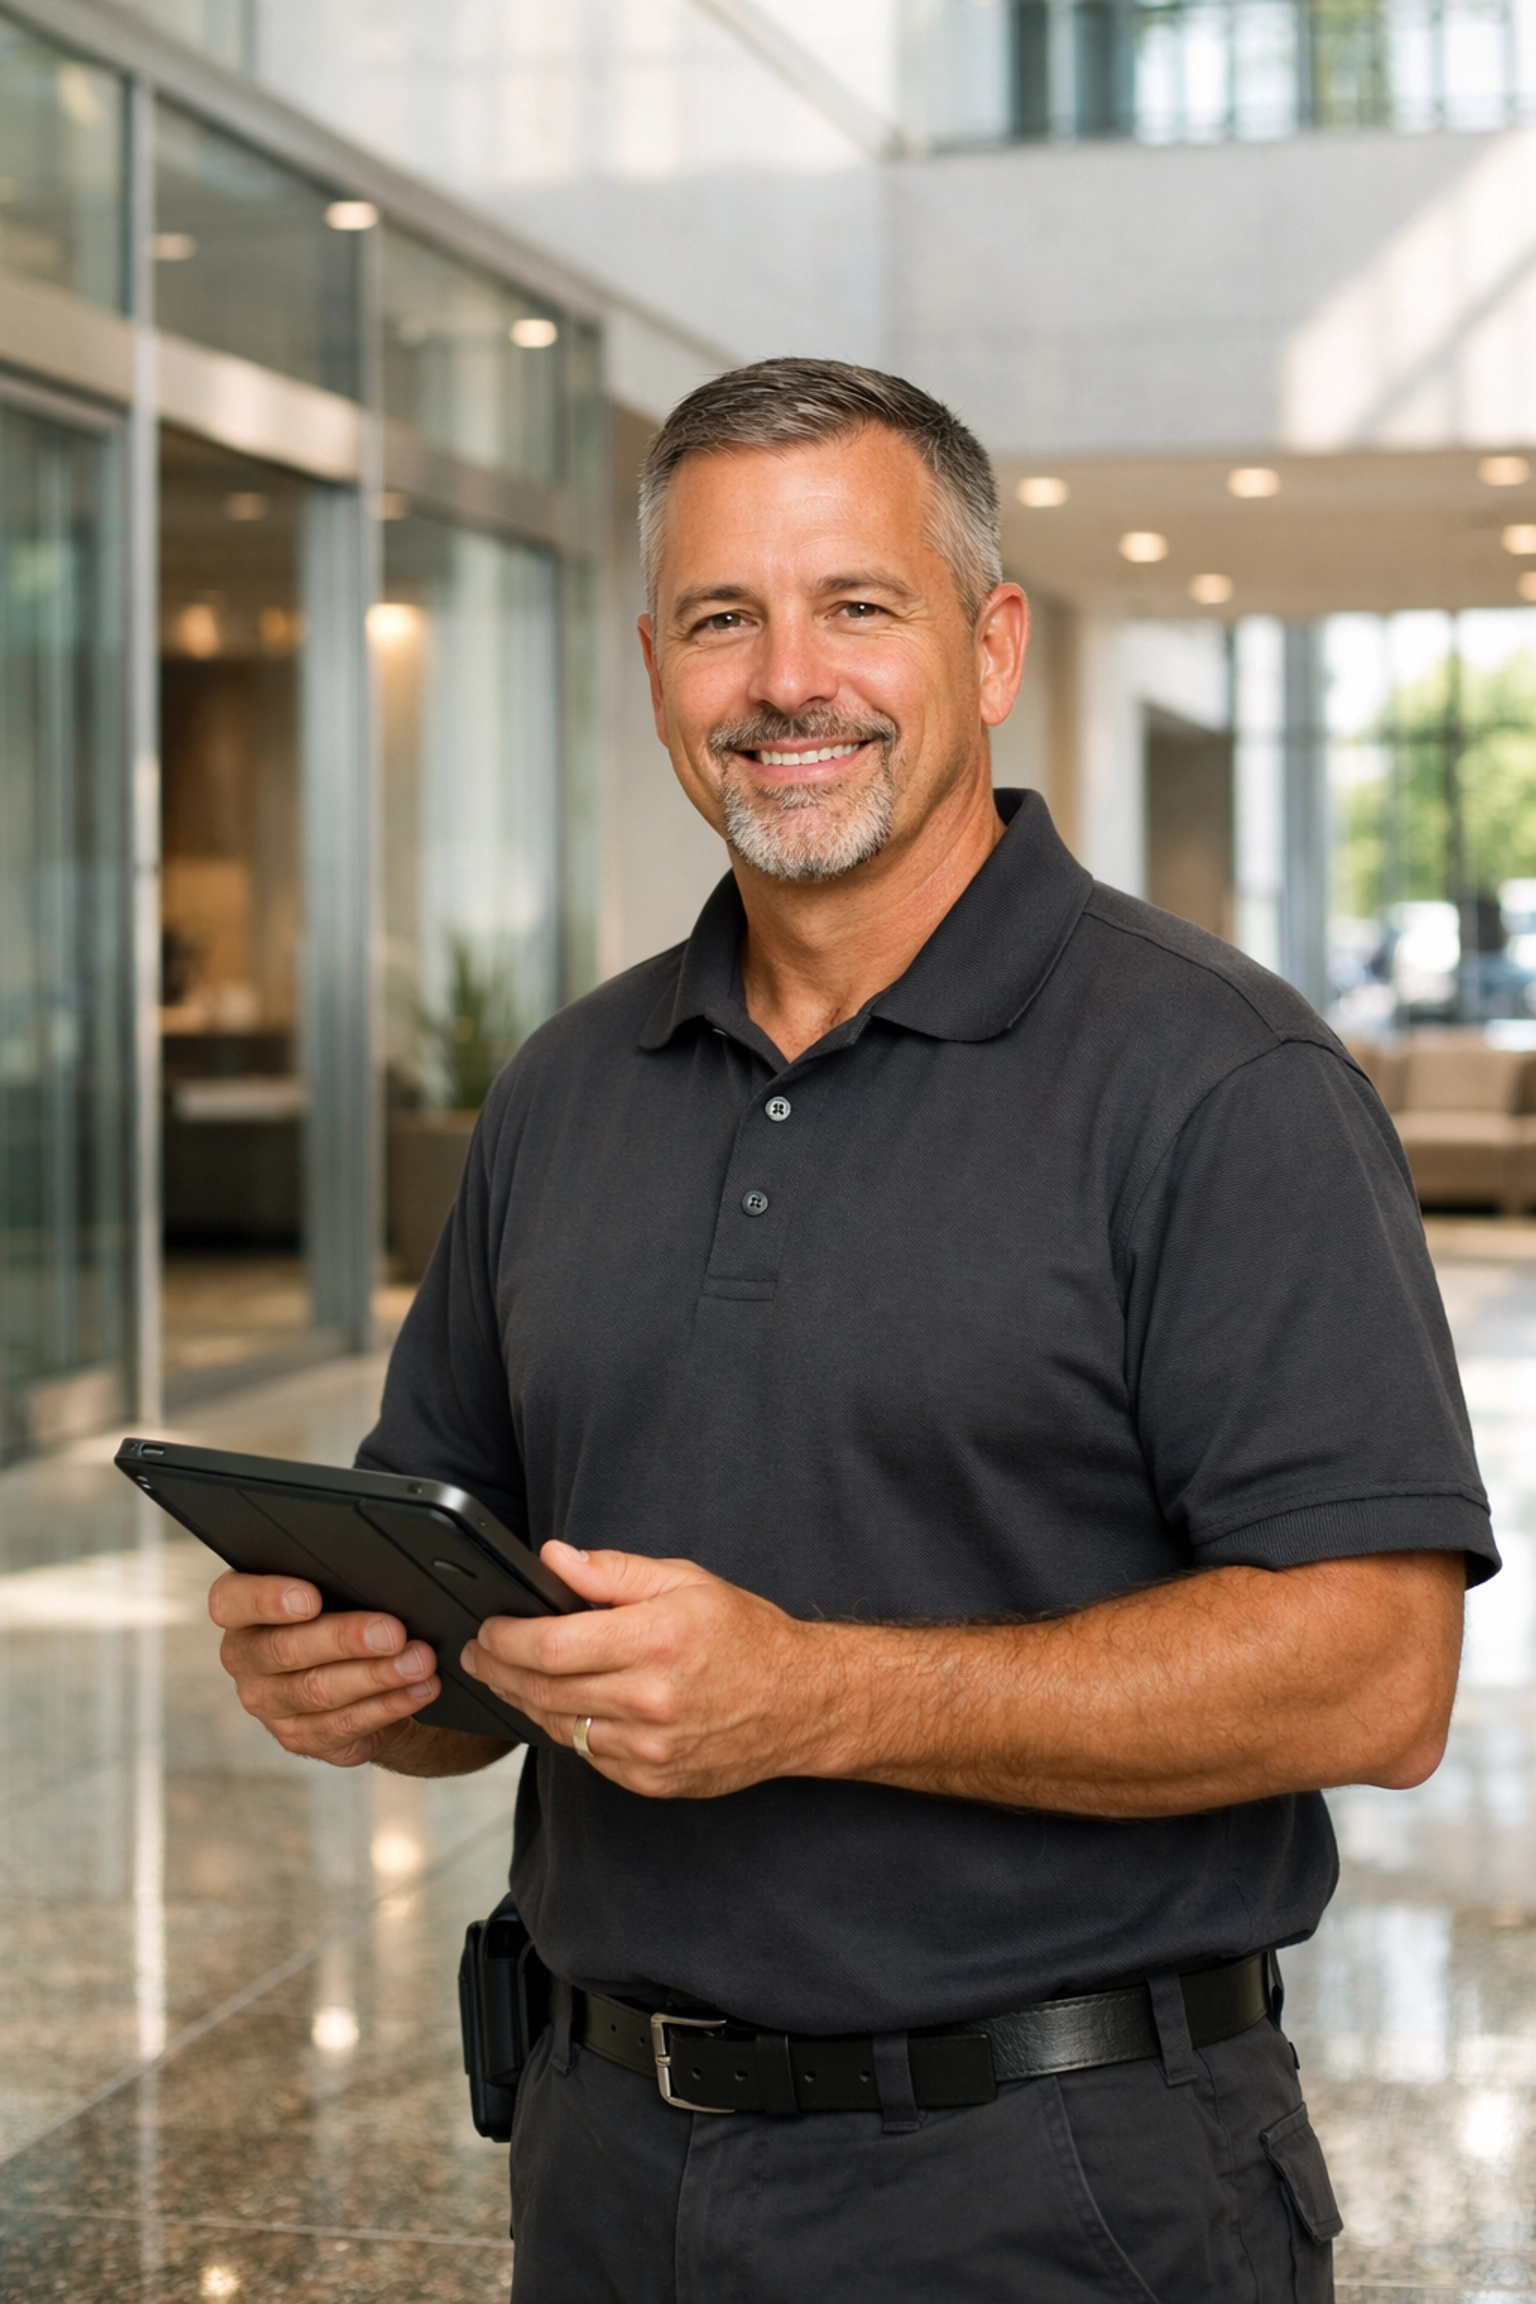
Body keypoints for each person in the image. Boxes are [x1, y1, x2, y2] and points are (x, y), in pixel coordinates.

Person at [211, 359, 1496, 2301]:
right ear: (657, 665)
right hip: (606, 2169)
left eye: (856, 607)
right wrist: (372, 1683)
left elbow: (1377, 1676)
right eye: (725, 617)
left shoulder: (1217, 1080)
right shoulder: (569, 1086)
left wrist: (818, 1696)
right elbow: (477, 1632)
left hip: (1059, 2187)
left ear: (990, 647)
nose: (785, 679)